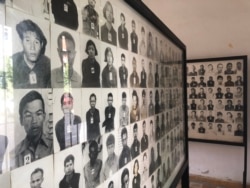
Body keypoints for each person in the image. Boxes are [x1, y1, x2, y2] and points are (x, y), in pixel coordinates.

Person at [11, 90, 53, 169]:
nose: (34, 121)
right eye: (28, 115)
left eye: (39, 114)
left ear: (44, 116)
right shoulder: (14, 155)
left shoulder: (54, 146)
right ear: (21, 120)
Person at [12, 19, 51, 88]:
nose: (32, 47)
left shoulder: (47, 64)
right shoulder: (13, 62)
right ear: (21, 42)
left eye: (36, 42)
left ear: (41, 45)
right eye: (28, 41)